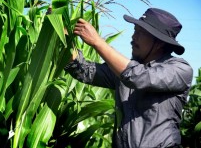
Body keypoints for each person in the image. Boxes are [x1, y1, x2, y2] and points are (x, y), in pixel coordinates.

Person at [64, 8, 193, 148]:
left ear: (160, 42)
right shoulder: (124, 71)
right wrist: (62, 36)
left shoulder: (180, 70)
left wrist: (97, 42)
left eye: (140, 33)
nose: (133, 37)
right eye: (135, 30)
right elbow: (84, 70)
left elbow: (137, 77)